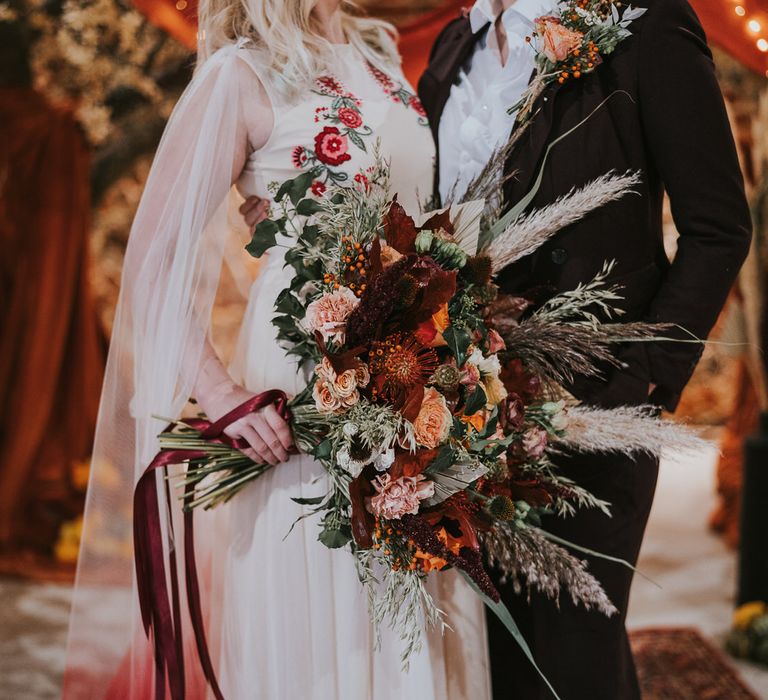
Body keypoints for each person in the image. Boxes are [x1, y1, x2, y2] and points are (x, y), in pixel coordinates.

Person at [64, 1, 491, 698]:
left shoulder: (378, 54)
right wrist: (220, 394)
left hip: (411, 371)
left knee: (414, 603)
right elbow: (152, 257)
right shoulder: (239, 75)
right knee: (326, 614)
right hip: (302, 373)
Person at [416, 0, 752, 698]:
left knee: (577, 652)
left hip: (591, 403)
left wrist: (643, 379)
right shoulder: (452, 49)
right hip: (464, 410)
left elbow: (719, 228)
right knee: (497, 652)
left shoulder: (645, 24)